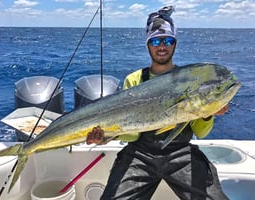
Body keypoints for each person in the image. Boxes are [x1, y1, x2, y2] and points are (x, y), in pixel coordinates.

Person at [86, 6, 229, 200]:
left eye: (168, 40)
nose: (162, 46)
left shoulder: (189, 80)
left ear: (175, 44)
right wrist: (107, 135)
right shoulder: (135, 79)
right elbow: (133, 135)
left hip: (181, 154)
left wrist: (208, 113)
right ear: (148, 45)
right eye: (155, 41)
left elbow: (201, 132)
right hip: (140, 155)